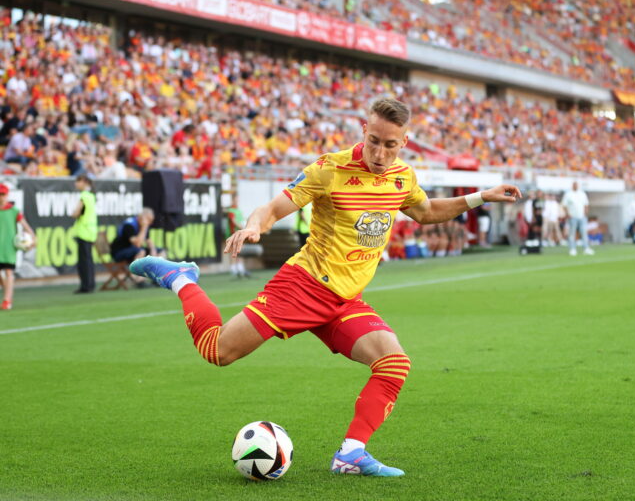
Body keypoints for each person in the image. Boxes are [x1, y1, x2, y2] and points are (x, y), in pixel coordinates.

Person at [129, 98, 522, 477]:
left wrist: (480, 197)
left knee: (394, 363)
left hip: (345, 299)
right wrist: (254, 225)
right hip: (303, 287)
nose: (380, 152)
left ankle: (351, 454)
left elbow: (426, 212)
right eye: (374, 141)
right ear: (363, 130)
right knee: (217, 351)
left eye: (390, 145)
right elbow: (274, 208)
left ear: (404, 142)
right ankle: (180, 278)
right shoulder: (328, 169)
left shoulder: (403, 177)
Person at [0, 183, 36, 310]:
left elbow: (25, 225)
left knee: (9, 272)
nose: (1, 197)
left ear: (7, 195)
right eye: (0, 194)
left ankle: (7, 300)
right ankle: (7, 295)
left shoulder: (14, 210)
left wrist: (33, 238)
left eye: (3, 194)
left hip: (8, 247)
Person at [71, 174, 98, 294]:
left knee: (83, 261)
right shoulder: (92, 195)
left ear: (84, 182)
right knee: (89, 260)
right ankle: (91, 284)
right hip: (91, 231)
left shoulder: (84, 196)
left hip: (83, 231)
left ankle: (85, 285)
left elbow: (76, 212)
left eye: (78, 181)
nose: (76, 184)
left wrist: (73, 214)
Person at [562, 180, 594, 256]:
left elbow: (586, 204)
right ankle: (572, 249)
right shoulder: (568, 194)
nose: (575, 186)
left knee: (584, 233)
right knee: (572, 233)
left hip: (582, 216)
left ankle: (586, 248)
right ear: (572, 185)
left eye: (576, 185)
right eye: (574, 185)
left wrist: (585, 213)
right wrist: (568, 214)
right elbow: (564, 205)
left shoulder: (582, 194)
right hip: (572, 216)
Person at [225, 194, 250, 278]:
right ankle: (233, 268)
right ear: (232, 200)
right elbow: (233, 221)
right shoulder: (231, 210)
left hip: (240, 233)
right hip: (233, 233)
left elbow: (242, 220)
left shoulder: (238, 210)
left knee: (240, 250)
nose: (237, 201)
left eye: (238, 199)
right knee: (233, 251)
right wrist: (241, 227)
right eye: (236, 199)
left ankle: (240, 267)